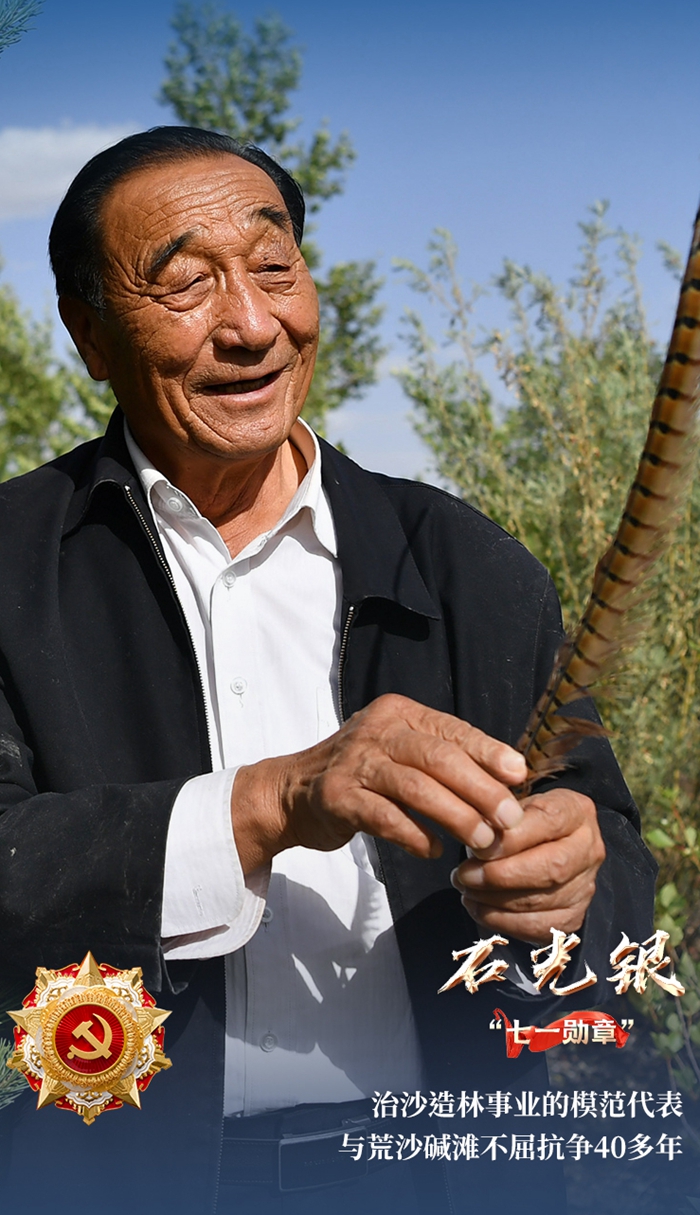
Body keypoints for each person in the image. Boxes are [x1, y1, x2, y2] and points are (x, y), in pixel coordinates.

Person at [0, 127, 656, 1215]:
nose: (252, 325)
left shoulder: (464, 565)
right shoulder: (13, 568)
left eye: (274, 267)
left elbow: (615, 868)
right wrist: (272, 801)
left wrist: (576, 885)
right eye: (185, 284)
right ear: (88, 334)